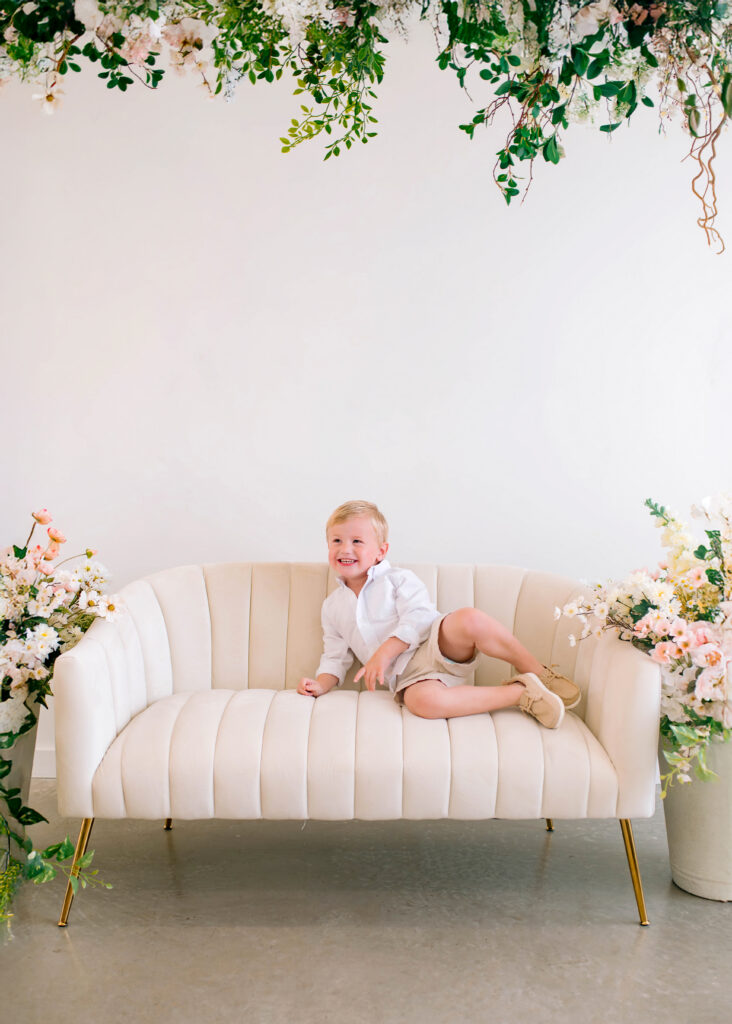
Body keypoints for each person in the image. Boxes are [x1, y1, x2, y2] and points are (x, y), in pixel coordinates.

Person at [297, 500, 580, 728]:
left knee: (469, 618)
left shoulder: (397, 580)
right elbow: (335, 656)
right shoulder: (332, 607)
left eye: (357, 541)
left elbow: (420, 617)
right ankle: (522, 692)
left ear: (381, 551)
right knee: (422, 704)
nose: (345, 548)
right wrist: (320, 685)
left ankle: (538, 672)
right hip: (410, 678)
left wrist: (384, 652)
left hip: (435, 644)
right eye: (336, 540)